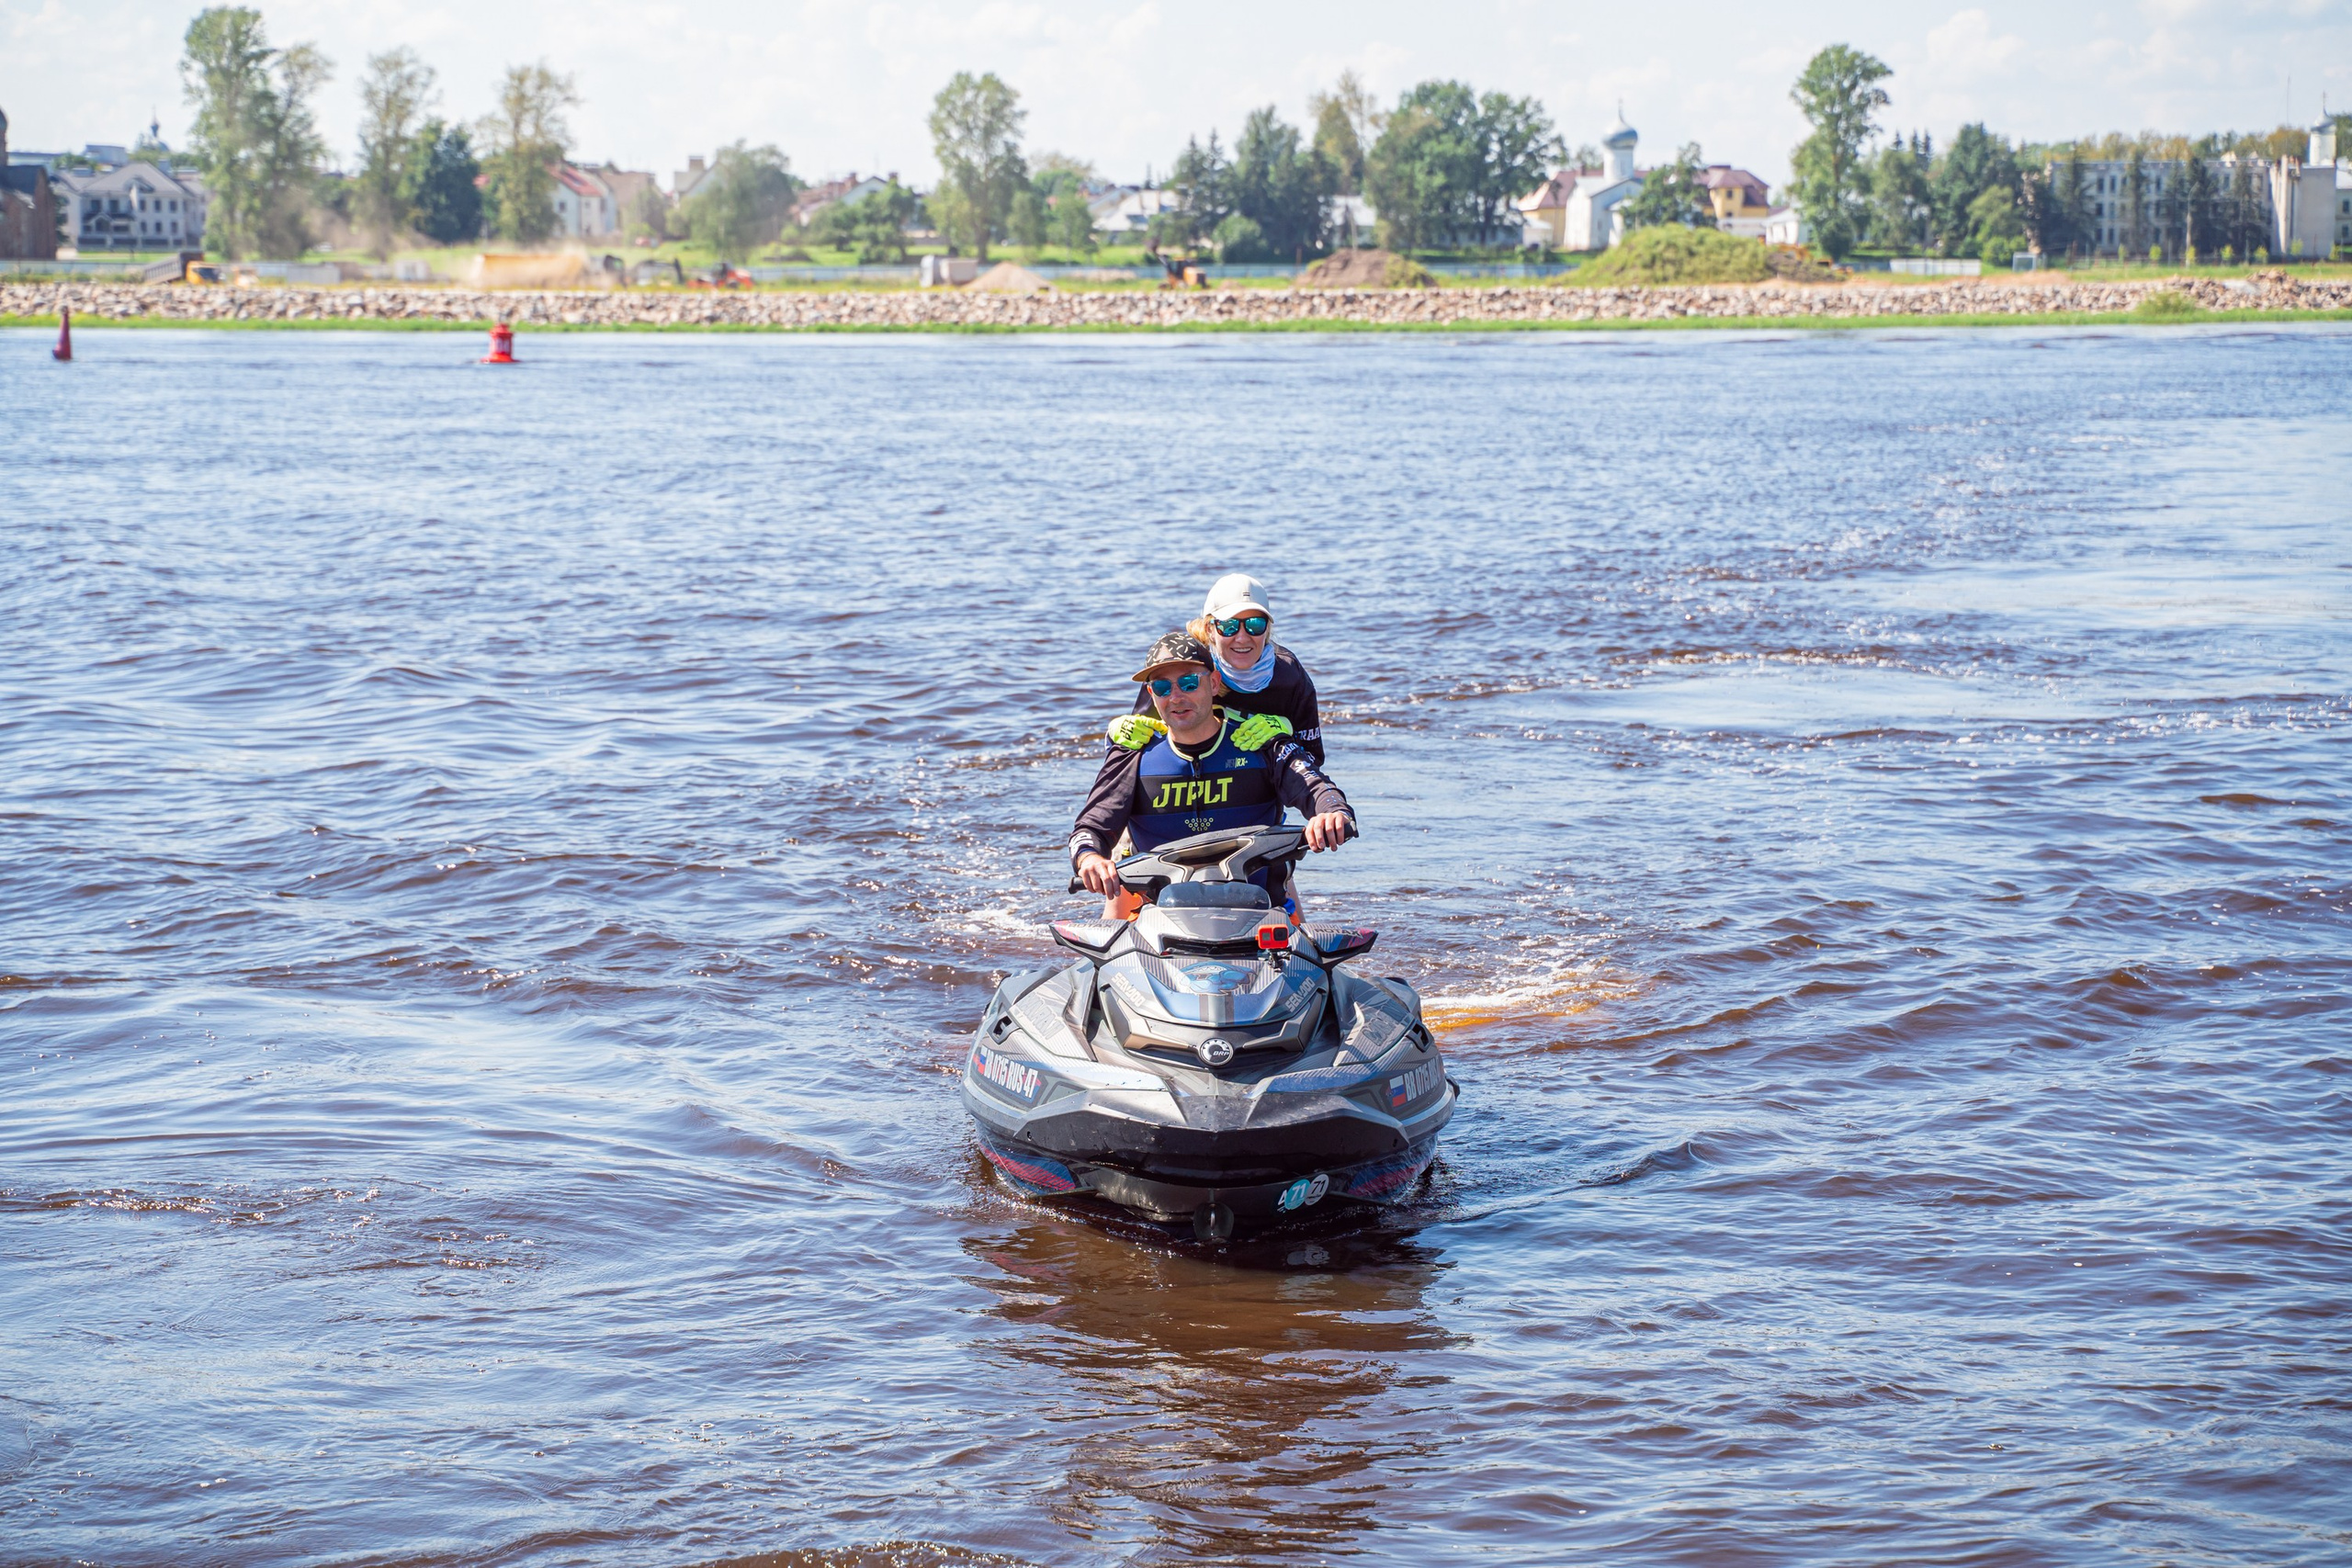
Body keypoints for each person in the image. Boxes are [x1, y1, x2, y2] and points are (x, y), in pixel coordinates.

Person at [1072, 630, 1354, 918]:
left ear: (1215, 682)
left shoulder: (1262, 745)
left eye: (1189, 682)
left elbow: (1319, 790)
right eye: (1162, 687)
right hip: (1157, 920)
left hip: (1261, 916)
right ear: (1151, 695)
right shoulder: (1133, 756)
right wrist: (1089, 857)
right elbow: (1089, 829)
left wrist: (1332, 814)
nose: (1176, 697)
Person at [1108, 573, 1324, 765]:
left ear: (1268, 629)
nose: (1242, 637)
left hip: (1257, 784)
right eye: (1228, 626)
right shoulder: (1182, 666)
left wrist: (1287, 731)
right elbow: (1137, 747)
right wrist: (1113, 736)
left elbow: (1314, 759)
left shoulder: (1289, 673)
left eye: (1255, 625)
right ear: (1209, 630)